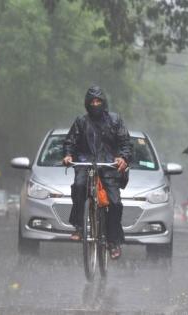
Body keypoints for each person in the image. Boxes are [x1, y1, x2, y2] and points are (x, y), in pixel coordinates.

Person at [63, 85, 132, 259]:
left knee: (115, 203)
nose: (95, 104)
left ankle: (113, 242)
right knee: (79, 186)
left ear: (103, 102)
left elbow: (125, 142)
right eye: (92, 101)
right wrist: (68, 155)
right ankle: (79, 226)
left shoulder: (115, 120)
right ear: (87, 103)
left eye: (98, 101)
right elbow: (70, 141)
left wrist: (122, 158)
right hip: (85, 164)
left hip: (109, 166)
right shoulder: (80, 121)